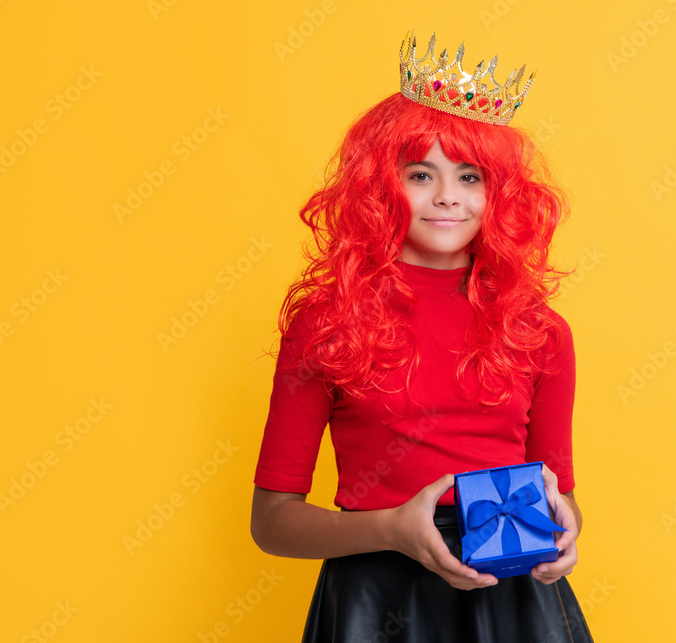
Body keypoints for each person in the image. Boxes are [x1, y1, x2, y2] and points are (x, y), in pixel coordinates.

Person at [250, 29, 594, 642]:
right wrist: (390, 530)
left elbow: (560, 497)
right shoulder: (324, 324)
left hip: (511, 601)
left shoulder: (540, 333)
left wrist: (565, 534)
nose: (445, 198)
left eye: (470, 177)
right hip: (377, 599)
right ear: (382, 186)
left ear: (500, 194)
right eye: (419, 174)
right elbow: (272, 523)